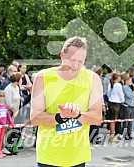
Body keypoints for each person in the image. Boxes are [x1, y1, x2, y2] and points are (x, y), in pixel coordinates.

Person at [30, 36, 103, 167]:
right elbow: (35, 118)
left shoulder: (93, 79)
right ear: (62, 55)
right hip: (49, 157)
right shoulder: (42, 77)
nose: (75, 66)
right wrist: (60, 117)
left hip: (77, 157)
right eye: (72, 60)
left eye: (81, 61)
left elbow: (97, 118)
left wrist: (77, 115)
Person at [107, 73, 124, 142]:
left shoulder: (110, 84)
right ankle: (112, 136)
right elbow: (121, 94)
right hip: (116, 103)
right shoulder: (118, 85)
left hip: (111, 102)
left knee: (112, 120)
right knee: (114, 120)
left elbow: (108, 94)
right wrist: (122, 100)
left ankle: (112, 134)